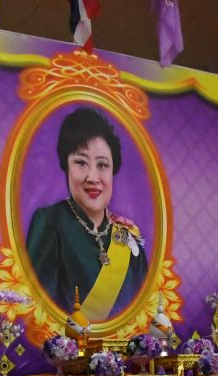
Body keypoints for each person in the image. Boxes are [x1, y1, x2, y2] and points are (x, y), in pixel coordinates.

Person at [26, 107, 149, 321]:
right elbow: (34, 311)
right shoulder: (50, 222)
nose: (93, 177)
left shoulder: (128, 236)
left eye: (102, 165)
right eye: (81, 163)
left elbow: (145, 312)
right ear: (66, 167)